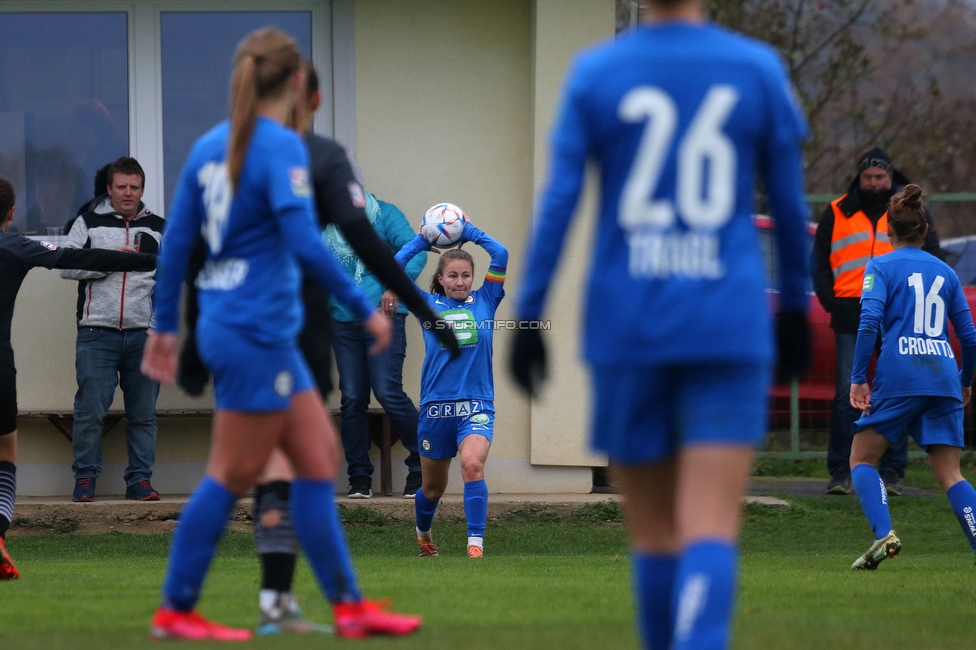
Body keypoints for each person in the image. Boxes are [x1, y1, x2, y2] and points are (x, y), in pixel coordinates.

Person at [509, 1, 811, 648]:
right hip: (727, 321)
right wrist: (792, 309)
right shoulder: (755, 67)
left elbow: (560, 200)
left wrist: (529, 316)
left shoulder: (596, 72)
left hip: (628, 323)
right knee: (709, 523)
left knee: (652, 533)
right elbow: (789, 205)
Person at [141, 29, 421, 641]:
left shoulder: (207, 148)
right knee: (231, 474)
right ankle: (176, 609)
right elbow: (303, 242)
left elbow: (178, 249)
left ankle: (349, 607)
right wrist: (363, 304)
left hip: (234, 329)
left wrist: (166, 326)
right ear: (298, 83)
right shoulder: (282, 149)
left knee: (318, 462)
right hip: (255, 334)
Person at [0, 175, 156, 580]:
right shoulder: (15, 246)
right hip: (0, 365)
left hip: (134, 332)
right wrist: (142, 259)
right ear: (11, 214)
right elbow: (77, 258)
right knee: (6, 453)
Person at [847, 184, 976, 570]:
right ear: (924, 231)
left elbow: (869, 321)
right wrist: (965, 378)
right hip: (943, 377)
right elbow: (968, 335)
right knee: (951, 474)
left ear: (889, 231)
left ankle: (885, 534)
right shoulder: (947, 273)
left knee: (861, 460)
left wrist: (858, 377)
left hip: (901, 375)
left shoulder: (881, 267)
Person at [813, 148, 944, 496]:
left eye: (880, 177)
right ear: (860, 177)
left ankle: (892, 471)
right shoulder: (837, 210)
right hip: (849, 311)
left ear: (890, 178)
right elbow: (819, 261)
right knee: (846, 393)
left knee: (894, 392)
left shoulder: (905, 212)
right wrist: (831, 300)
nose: (873, 182)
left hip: (897, 315)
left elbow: (931, 254)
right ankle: (841, 468)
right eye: (868, 176)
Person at [396, 219, 508, 559]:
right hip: (436, 409)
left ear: (473, 278)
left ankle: (475, 546)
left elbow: (500, 253)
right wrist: (420, 240)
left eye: (465, 275)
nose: (460, 282)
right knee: (432, 488)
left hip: (476, 405)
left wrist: (471, 231)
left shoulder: (487, 300)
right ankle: (424, 533)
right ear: (441, 279)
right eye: (452, 276)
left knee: (472, 464)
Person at [60, 156, 165, 502]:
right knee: (90, 410)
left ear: (142, 189)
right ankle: (86, 479)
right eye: (121, 186)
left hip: (143, 335)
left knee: (144, 414)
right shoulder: (88, 221)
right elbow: (65, 264)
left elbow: (171, 280)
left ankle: (140, 481)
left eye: (134, 187)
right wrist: (109, 260)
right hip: (96, 333)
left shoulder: (160, 227)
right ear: (109, 188)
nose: (128, 193)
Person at [328, 192, 425, 500]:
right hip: (342, 320)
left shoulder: (384, 214)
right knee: (352, 397)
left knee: (387, 392)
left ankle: (422, 465)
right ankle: (359, 477)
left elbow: (416, 251)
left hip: (384, 317)